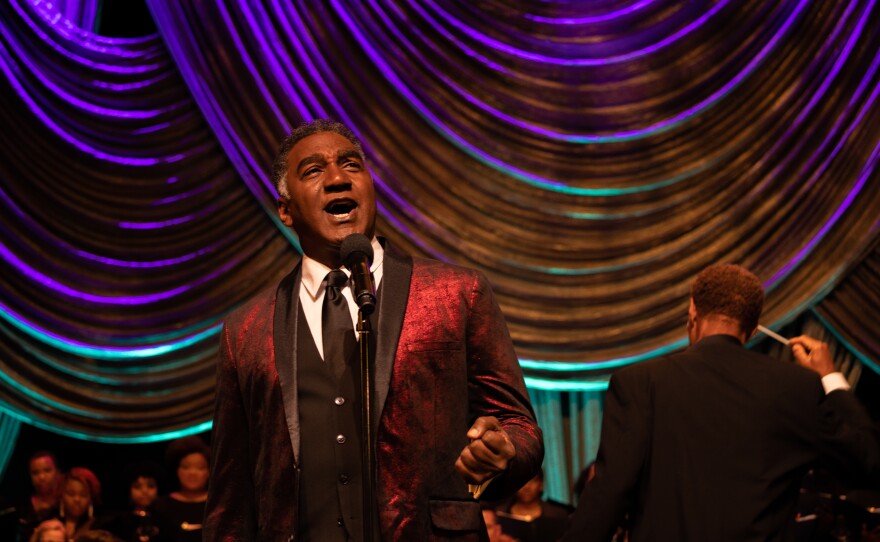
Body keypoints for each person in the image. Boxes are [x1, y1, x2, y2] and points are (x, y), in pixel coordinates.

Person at [204, 119, 543, 540]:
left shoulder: (457, 293)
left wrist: (504, 450)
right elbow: (230, 499)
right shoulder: (244, 332)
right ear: (286, 210)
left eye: (351, 165)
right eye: (313, 171)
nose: (336, 178)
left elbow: (519, 426)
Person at [561, 263, 880, 542]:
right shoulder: (797, 388)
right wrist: (831, 377)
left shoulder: (641, 382)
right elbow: (868, 461)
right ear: (753, 328)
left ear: (692, 312)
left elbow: (607, 498)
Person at [151, 437, 208, 542]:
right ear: (176, 470)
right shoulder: (161, 505)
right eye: (186, 467)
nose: (192, 473)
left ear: (209, 471)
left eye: (200, 467)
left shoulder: (218, 504)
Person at [17, 451, 64, 540]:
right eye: (35, 473)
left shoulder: (65, 507)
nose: (41, 477)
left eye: (47, 470)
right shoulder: (22, 507)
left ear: (58, 473)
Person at [60, 467, 102, 541]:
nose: (77, 499)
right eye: (71, 494)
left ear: (91, 498)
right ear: (62, 494)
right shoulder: (49, 521)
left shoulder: (101, 527)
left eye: (83, 495)